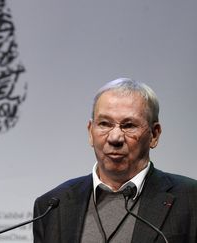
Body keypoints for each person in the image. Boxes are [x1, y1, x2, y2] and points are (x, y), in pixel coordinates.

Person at [33, 78, 197, 243]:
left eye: (129, 125)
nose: (115, 137)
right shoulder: (52, 206)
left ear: (154, 135)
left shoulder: (190, 199)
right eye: (104, 124)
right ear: (91, 132)